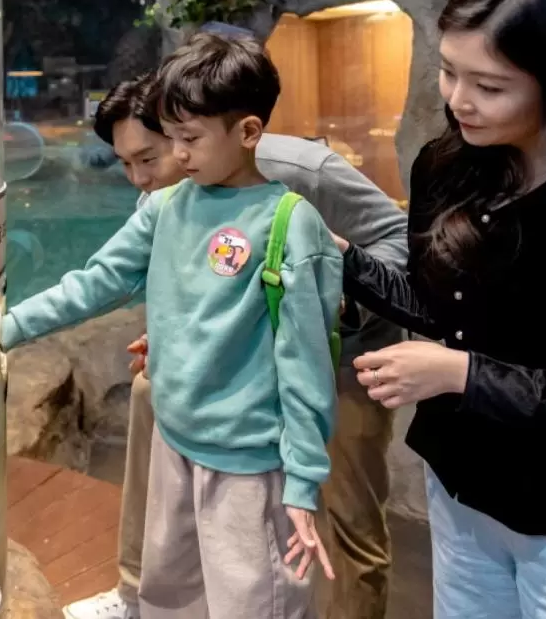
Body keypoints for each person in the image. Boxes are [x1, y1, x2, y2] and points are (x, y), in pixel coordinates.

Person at [0, 33, 341, 617]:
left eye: (191, 139)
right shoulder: (165, 208)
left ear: (249, 132)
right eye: (171, 139)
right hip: (175, 441)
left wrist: (303, 481)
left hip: (250, 463)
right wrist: (5, 329)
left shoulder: (289, 224)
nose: (178, 156)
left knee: (253, 602)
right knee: (166, 595)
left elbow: (305, 361)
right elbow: (94, 281)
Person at [333, 0, 546, 618]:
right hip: (464, 489)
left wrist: (463, 374)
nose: (457, 100)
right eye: (448, 71)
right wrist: (345, 262)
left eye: (489, 83)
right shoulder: (449, 166)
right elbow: (448, 309)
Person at [66, 69, 409, 619]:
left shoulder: (303, 172)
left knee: (346, 519)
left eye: (152, 157)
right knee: (149, 405)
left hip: (343, 356)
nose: (139, 178)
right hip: (234, 380)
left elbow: (398, 238)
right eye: (125, 163)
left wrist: (333, 298)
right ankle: (139, 593)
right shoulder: (171, 195)